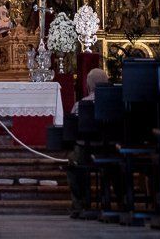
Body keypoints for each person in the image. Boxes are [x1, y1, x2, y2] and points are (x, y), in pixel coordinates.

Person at [66, 68, 111, 219]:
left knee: (72, 162)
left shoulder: (81, 105)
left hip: (86, 151)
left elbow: (71, 132)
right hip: (110, 150)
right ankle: (121, 199)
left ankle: (80, 204)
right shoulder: (116, 102)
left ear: (89, 86)